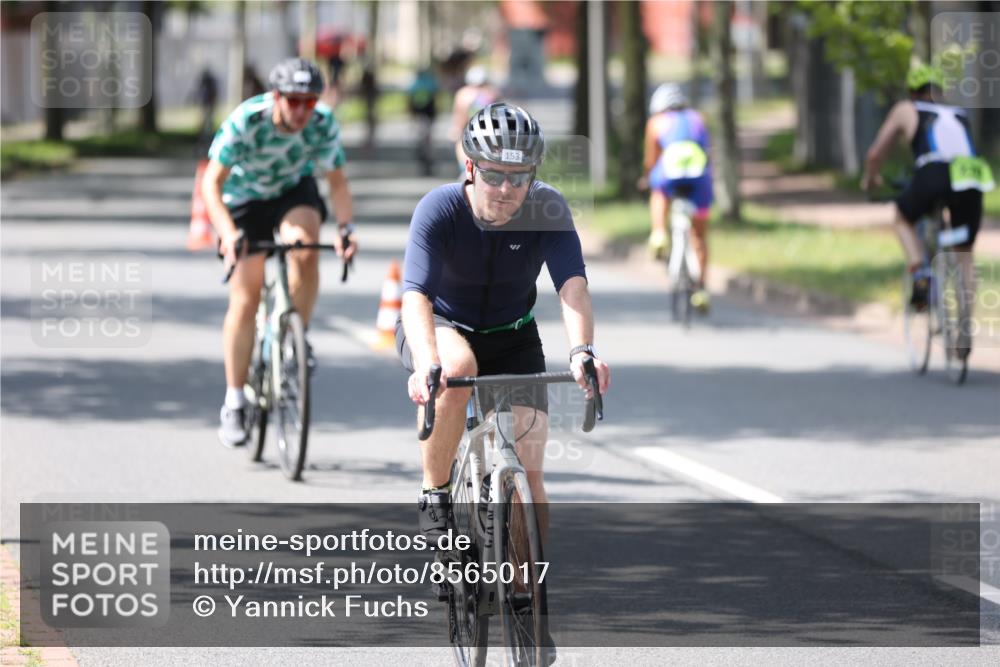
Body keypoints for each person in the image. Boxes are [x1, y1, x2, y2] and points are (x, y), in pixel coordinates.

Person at [396, 102, 611, 543]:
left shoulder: (546, 207)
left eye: (520, 176)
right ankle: (434, 494)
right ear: (471, 167)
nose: (506, 189)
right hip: (442, 325)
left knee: (529, 480)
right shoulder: (439, 208)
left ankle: (524, 594)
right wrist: (426, 362)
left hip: (513, 335)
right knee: (457, 370)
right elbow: (415, 294)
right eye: (494, 175)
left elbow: (572, 286)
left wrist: (582, 351)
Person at [202, 57, 358, 448]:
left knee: (305, 249)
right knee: (246, 293)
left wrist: (345, 229)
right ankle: (234, 401)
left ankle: (295, 337)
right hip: (244, 199)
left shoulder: (321, 123)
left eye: (310, 101)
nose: (303, 110)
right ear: (276, 97)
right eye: (294, 101)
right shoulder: (246, 121)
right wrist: (227, 232)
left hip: (292, 190)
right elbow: (211, 185)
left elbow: (337, 184)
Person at [862, 63, 993, 315]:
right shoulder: (958, 111)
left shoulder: (906, 108)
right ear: (939, 90)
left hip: (934, 172)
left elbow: (875, 154)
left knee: (902, 219)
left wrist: (871, 179)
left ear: (912, 92)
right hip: (972, 175)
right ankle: (964, 326)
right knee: (964, 250)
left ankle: (921, 273)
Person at [642, 82, 714, 311]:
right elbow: (707, 151)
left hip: (669, 176)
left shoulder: (656, 122)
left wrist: (647, 177)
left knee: (658, 191)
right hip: (699, 178)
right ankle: (701, 288)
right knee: (699, 236)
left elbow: (651, 160)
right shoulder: (698, 118)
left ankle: (659, 233)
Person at [449, 65, 499, 170]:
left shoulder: (464, 94)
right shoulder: (492, 93)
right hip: (488, 132)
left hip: (469, 131)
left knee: (465, 154)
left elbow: (460, 115)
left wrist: (456, 129)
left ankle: (467, 172)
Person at [407, 66, 440, 176]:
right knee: (428, 136)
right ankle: (428, 154)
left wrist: (410, 114)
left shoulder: (414, 84)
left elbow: (410, 100)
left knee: (421, 135)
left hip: (419, 114)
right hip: (429, 114)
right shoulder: (431, 83)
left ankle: (424, 153)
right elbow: (436, 96)